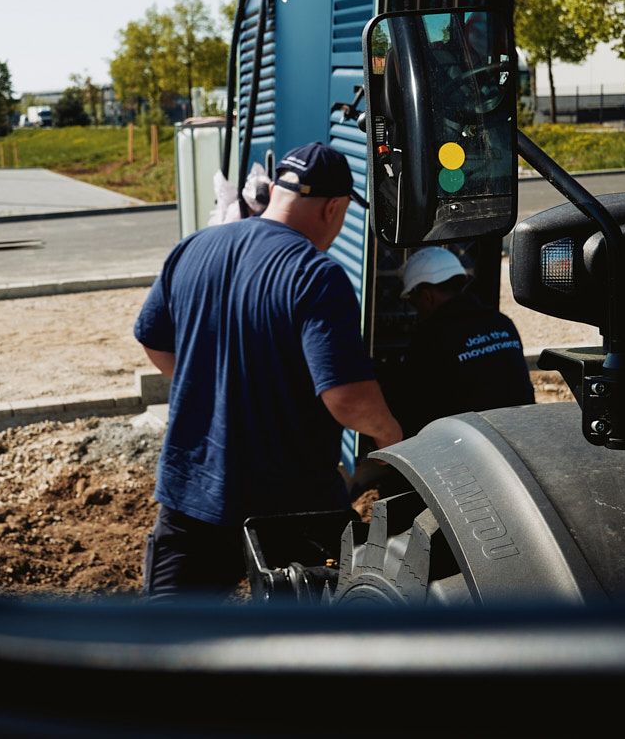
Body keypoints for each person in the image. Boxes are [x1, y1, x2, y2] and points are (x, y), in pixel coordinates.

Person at [133, 141, 403, 600]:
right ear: (334, 208)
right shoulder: (315, 274)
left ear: (276, 189)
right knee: (300, 647)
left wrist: (210, 388)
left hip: (192, 488)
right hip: (290, 505)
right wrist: (392, 438)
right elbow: (347, 398)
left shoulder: (194, 247)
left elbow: (152, 339)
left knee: (171, 641)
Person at [381, 246, 534, 438]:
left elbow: (414, 407)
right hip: (521, 435)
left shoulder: (431, 338)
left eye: (414, 301)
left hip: (468, 447)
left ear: (427, 296)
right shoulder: (502, 323)